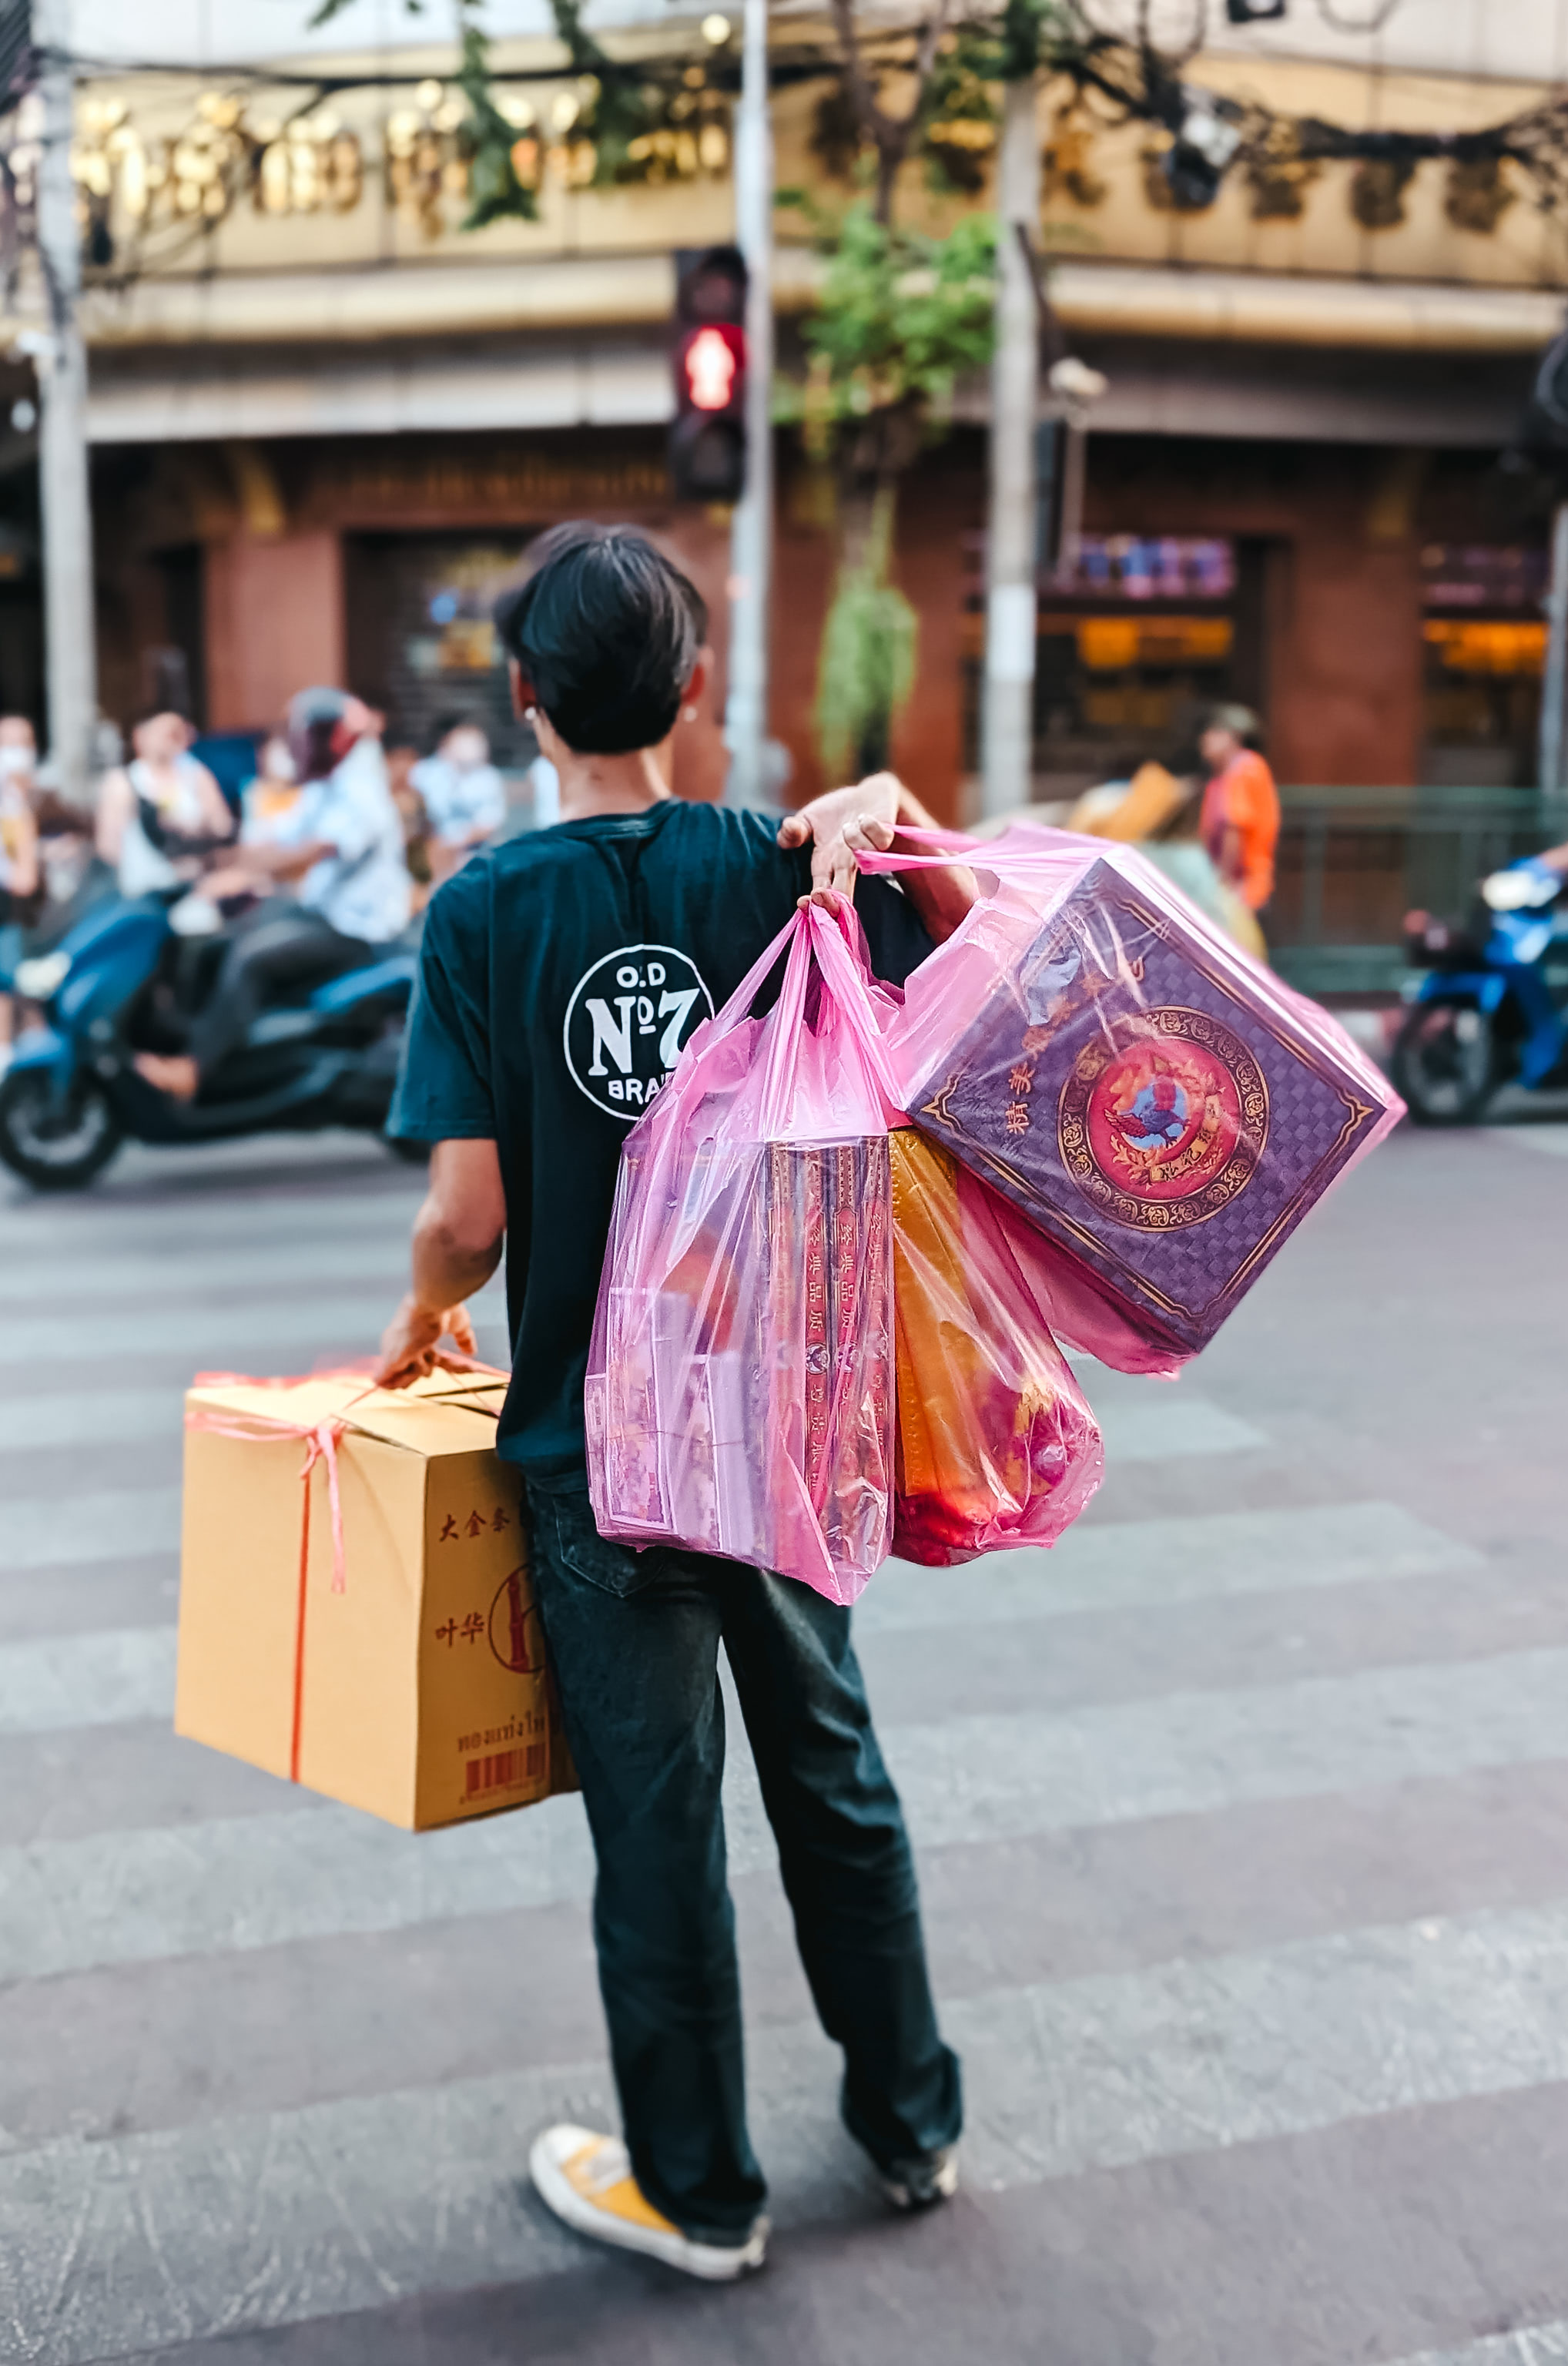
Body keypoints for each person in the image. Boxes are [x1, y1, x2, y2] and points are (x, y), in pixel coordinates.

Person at [374, 523, 974, 2283]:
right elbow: (973, 979)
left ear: (523, 695)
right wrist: (894, 818)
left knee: (657, 1827)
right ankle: (911, 2116)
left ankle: (699, 2192)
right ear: (695, 685)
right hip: (775, 1421)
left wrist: (417, 1313)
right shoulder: (787, 863)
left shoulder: (485, 907)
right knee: (831, 1773)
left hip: (597, 1461)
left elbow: (468, 1217)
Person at [134, 689, 410, 1101]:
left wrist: (243, 870)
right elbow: (273, 842)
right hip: (318, 913)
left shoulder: (361, 789)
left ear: (331, 736)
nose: (293, 744)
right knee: (219, 941)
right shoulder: (325, 785)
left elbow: (307, 853)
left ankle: (195, 1068)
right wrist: (213, 863)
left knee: (251, 959)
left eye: (302, 733)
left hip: (358, 931)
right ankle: (204, 1041)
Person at [95, 711, 236, 900]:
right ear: (141, 736)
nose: (171, 739)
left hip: (196, 887)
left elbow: (223, 825)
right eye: (165, 733)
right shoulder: (124, 782)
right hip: (146, 892)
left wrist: (195, 828)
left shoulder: (195, 772)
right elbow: (108, 847)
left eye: (178, 732)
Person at [1198, 703, 1281, 914]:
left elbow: (1234, 829)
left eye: (1214, 732)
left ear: (1232, 737)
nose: (1205, 739)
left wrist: (1222, 885)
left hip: (1243, 891)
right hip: (1234, 891)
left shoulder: (1244, 769)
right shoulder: (1222, 776)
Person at [410, 717, 507, 881]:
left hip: (473, 860)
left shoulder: (488, 778)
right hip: (435, 861)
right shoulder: (432, 772)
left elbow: (488, 824)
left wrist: (452, 845)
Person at [0, 715, 41, 1047]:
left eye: (22, 744)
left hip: (23, 914)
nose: (15, 753)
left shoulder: (29, 798)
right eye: (7, 744)